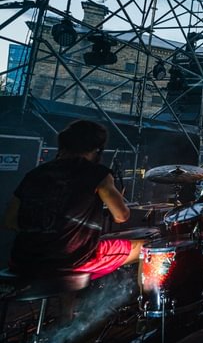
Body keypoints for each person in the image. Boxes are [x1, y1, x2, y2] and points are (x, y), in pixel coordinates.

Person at [4, 120, 140, 280]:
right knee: (145, 247)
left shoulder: (35, 174)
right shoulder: (97, 173)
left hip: (21, 261)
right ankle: (141, 297)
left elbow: (9, 221)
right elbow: (121, 216)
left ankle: (73, 296)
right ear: (96, 149)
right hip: (70, 261)